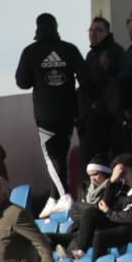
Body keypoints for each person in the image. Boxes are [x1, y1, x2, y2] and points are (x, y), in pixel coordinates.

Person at [15, 13, 86, 208]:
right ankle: (53, 197)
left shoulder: (30, 51)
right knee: (60, 154)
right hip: (69, 110)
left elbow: (22, 82)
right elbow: (85, 77)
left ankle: (64, 195)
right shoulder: (69, 49)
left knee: (51, 156)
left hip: (45, 113)